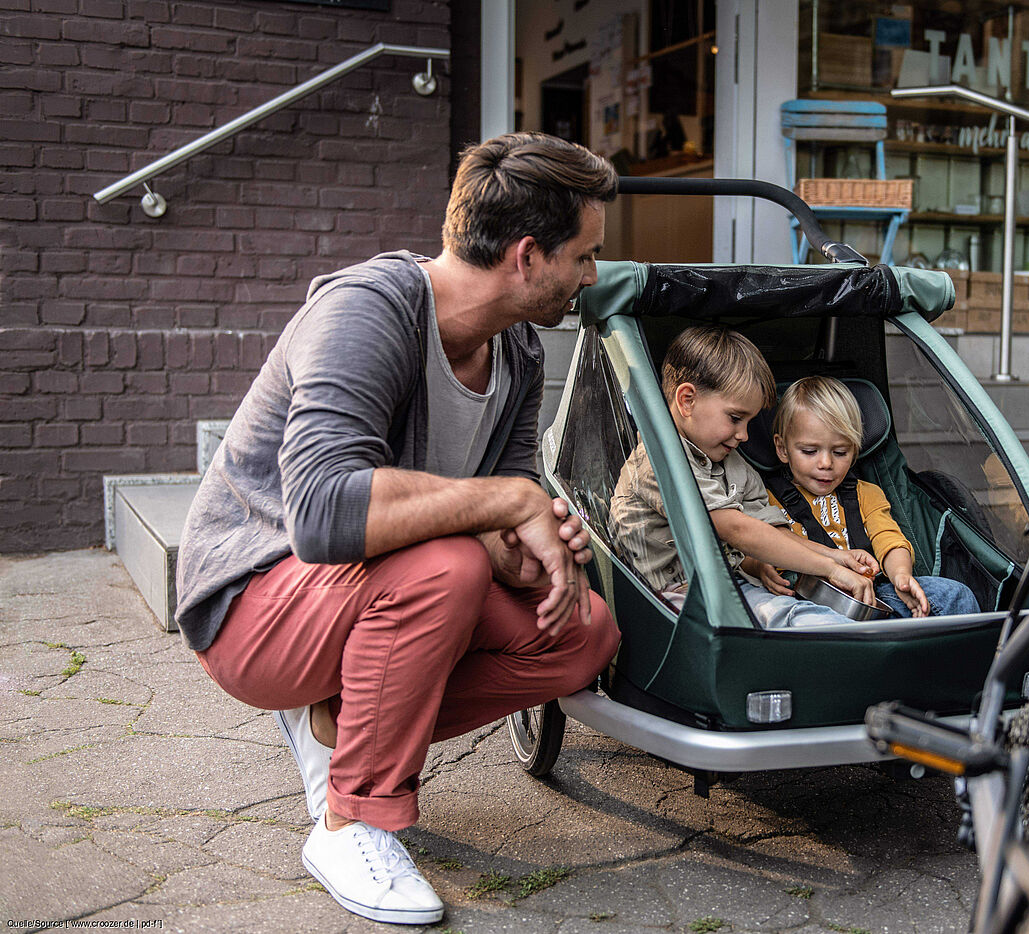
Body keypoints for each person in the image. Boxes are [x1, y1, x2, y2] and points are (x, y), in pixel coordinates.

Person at [173, 132, 623, 926]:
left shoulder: (515, 349)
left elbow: (507, 488)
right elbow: (320, 511)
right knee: (445, 565)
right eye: (584, 255)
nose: (592, 275)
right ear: (527, 255)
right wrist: (500, 515)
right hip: (256, 603)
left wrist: (529, 550)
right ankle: (351, 825)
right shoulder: (367, 310)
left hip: (380, 587)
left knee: (582, 630)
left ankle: (339, 722)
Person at [611, 326, 929, 629]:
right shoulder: (656, 460)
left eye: (748, 422)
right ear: (687, 400)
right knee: (810, 622)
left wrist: (837, 555)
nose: (744, 435)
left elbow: (772, 531)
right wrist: (830, 568)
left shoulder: (732, 463)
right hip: (670, 600)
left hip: (727, 586)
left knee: (805, 615)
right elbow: (737, 529)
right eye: (736, 418)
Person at [746, 376, 980, 619]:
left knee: (955, 594)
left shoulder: (865, 493)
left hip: (870, 597)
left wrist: (901, 575)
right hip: (802, 601)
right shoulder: (767, 498)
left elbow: (888, 538)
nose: (826, 463)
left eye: (840, 452)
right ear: (783, 449)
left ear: (855, 451)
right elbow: (747, 548)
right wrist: (759, 566)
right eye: (809, 451)